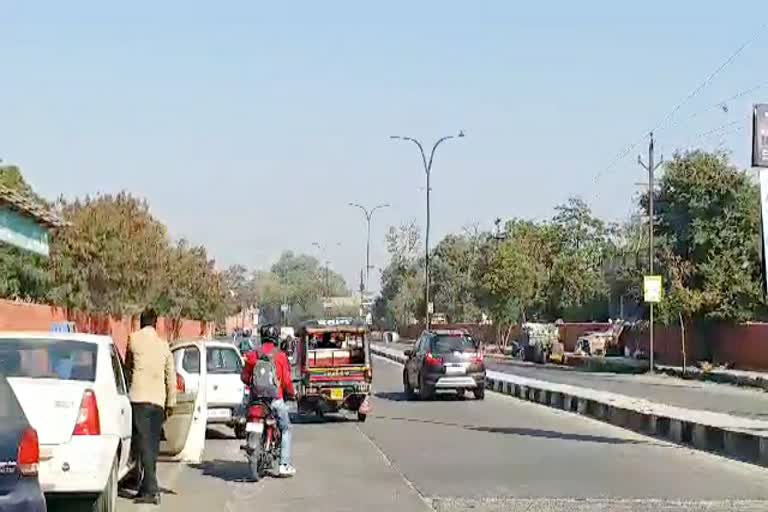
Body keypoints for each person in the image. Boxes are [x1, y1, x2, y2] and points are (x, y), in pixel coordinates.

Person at [125, 309, 177, 505]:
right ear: (155, 324)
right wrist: (171, 403)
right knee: (152, 446)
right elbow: (170, 377)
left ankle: (151, 489)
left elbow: (128, 366)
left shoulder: (133, 339)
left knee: (142, 445)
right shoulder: (164, 346)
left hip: (138, 399)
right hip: (158, 402)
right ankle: (146, 488)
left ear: (140, 322)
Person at [241, 323, 297, 477]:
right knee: (286, 429)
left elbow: (244, 377)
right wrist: (292, 393)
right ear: (276, 338)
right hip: (275, 400)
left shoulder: (253, 355)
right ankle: (284, 465)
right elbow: (286, 381)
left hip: (256, 400)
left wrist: (252, 385)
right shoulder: (281, 356)